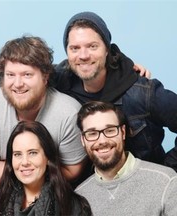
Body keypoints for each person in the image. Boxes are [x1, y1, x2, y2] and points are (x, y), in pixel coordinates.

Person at [54, 11, 177, 171]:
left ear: (106, 49)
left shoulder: (142, 93)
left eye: (92, 46)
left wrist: (166, 172)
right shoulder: (61, 83)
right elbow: (28, 72)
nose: (83, 55)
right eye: (75, 48)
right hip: (90, 189)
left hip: (144, 188)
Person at [0, 36, 87, 190]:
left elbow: (72, 171)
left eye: (27, 75)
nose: (18, 84)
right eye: (10, 75)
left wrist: (12, 174)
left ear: (45, 77)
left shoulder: (69, 113)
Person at [75, 101, 177, 215]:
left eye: (110, 130)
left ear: (123, 132)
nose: (102, 141)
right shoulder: (79, 197)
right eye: (92, 133)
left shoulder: (166, 181)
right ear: (83, 140)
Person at [0, 121, 92, 216]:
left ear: (48, 158)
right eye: (17, 154)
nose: (25, 162)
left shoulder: (72, 206)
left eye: (32, 153)